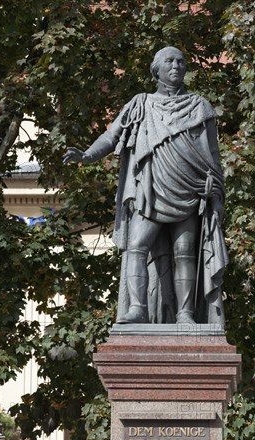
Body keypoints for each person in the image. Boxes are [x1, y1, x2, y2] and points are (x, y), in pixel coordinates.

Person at [63, 46, 228, 325]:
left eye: (181, 61)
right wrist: (87, 155)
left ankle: (185, 314)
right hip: (150, 188)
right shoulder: (141, 103)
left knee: (185, 252)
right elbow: (111, 135)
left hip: (189, 187)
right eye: (169, 61)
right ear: (156, 69)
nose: (176, 66)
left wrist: (217, 187)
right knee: (136, 246)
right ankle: (137, 307)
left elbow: (212, 153)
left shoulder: (200, 106)